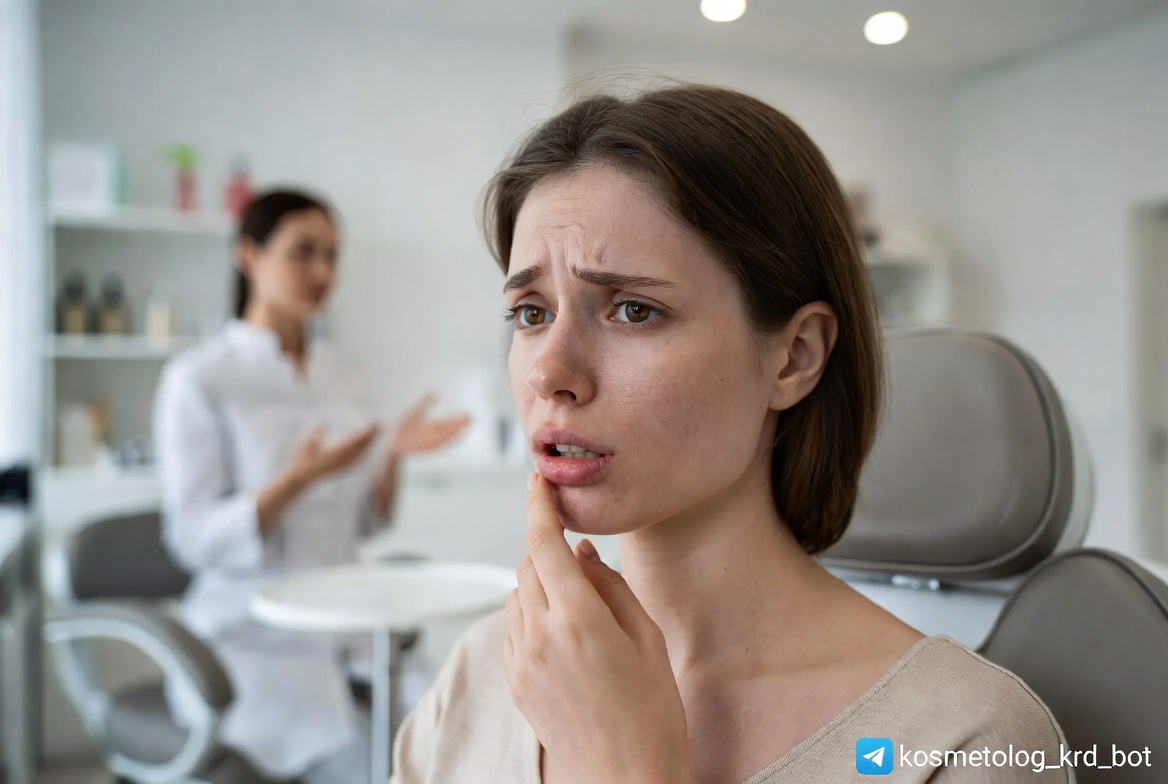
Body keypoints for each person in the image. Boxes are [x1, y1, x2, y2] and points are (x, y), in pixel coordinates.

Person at [388, 86, 1073, 783]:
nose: (548, 373)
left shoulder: (963, 740)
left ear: (795, 356)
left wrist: (627, 767)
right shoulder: (482, 673)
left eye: (633, 310)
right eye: (531, 313)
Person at [153, 189, 469, 783]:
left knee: (460, 741)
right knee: (368, 767)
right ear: (249, 254)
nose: (323, 272)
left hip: (347, 621)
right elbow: (192, 539)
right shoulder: (199, 379)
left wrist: (392, 457)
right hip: (255, 639)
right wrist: (296, 481)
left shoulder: (338, 374)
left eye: (331, 255)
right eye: (303, 252)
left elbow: (365, 522)